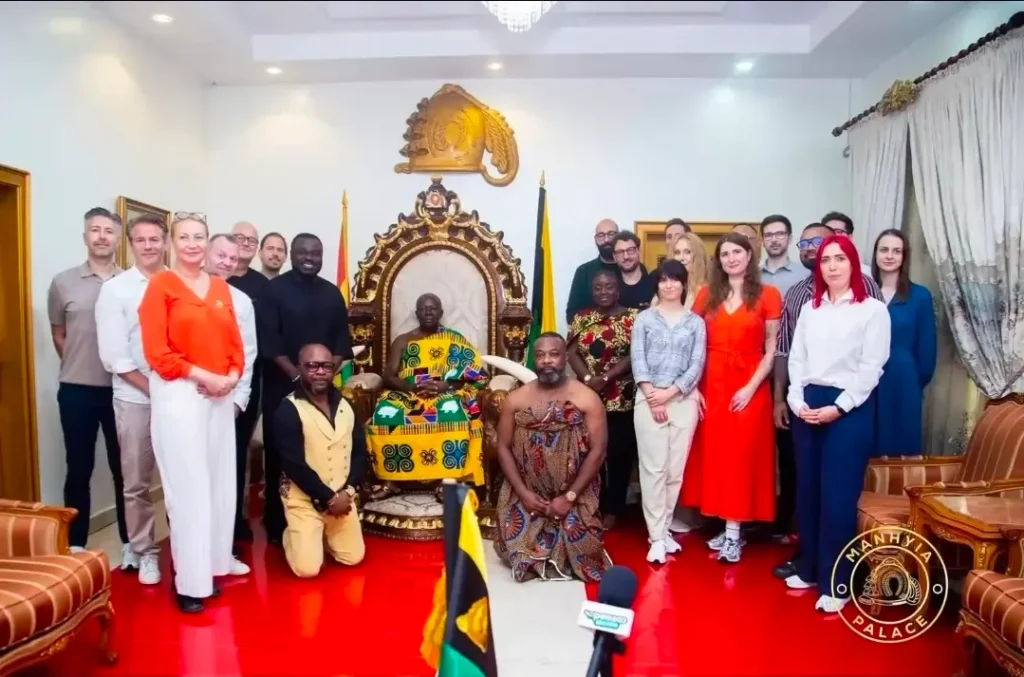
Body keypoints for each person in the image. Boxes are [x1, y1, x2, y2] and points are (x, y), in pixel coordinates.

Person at [139, 213, 249, 613]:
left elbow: (236, 344)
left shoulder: (220, 286)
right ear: (172, 242)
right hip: (179, 394)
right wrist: (204, 375)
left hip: (218, 395)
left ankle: (211, 567)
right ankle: (188, 582)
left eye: (198, 237)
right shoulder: (160, 286)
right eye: (184, 237)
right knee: (189, 489)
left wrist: (231, 376)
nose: (191, 244)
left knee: (220, 484)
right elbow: (157, 353)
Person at [770, 223, 884, 581]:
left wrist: (840, 407)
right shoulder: (811, 310)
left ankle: (837, 581)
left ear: (853, 263)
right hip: (808, 402)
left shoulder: (873, 311)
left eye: (840, 259)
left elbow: (872, 368)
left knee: (837, 497)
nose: (832, 266)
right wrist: (795, 399)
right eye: (826, 260)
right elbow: (797, 359)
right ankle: (810, 570)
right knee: (809, 493)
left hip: (850, 407)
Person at [681, 232, 781, 564]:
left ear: (749, 256)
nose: (731, 258)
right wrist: (693, 386)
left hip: (749, 385)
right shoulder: (707, 294)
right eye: (724, 254)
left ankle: (735, 535)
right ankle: (727, 524)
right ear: (718, 261)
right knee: (716, 456)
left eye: (737, 252)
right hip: (712, 382)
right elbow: (692, 344)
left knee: (741, 458)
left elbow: (771, 351)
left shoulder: (769, 294)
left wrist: (750, 388)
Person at [260, 233, 353, 544]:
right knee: (281, 453)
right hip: (281, 385)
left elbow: (341, 343)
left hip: (324, 389)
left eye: (316, 252)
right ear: (292, 255)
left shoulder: (331, 294)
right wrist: (299, 378)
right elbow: (270, 344)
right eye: (303, 252)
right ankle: (278, 523)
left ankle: (326, 515)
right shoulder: (274, 291)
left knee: (323, 450)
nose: (309, 257)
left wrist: (322, 374)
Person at [494, 333, 610, 582]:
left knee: (586, 554)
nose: (547, 360)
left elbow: (598, 451)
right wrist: (523, 494)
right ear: (533, 360)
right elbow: (502, 447)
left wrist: (569, 497)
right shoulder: (516, 398)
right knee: (515, 550)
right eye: (540, 355)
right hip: (526, 493)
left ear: (565, 358)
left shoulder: (587, 397)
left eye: (554, 354)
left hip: (574, 493)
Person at [48, 207, 128, 554]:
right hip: (76, 390)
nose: (101, 236)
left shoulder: (129, 283)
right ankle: (76, 543)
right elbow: (59, 335)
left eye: (108, 231)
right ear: (85, 237)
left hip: (123, 391)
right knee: (78, 469)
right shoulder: (62, 282)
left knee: (125, 471)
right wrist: (81, 365)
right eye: (94, 230)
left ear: (118, 239)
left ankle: (132, 543)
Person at [94, 214, 166, 583]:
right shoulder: (116, 289)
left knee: (179, 479)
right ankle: (144, 551)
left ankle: (185, 548)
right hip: (136, 398)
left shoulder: (180, 285)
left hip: (179, 400)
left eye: (155, 239)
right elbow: (114, 356)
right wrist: (153, 388)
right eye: (141, 240)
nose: (149, 245)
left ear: (165, 242)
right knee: (136, 482)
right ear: (131, 244)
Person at [367, 294, 487, 501]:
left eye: (433, 308)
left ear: (441, 313)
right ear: (417, 314)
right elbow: (388, 375)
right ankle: (392, 481)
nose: (429, 312)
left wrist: (446, 385)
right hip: (408, 393)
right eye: (424, 309)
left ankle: (447, 480)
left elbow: (477, 371)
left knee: (454, 414)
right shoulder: (403, 340)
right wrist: (409, 386)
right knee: (386, 414)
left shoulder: (454, 339)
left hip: (446, 392)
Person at [631, 259, 706, 564]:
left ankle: (664, 529)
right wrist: (653, 396)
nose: (670, 285)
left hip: (682, 401)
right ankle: (656, 537)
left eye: (675, 280)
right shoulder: (645, 320)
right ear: (657, 285)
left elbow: (697, 364)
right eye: (663, 280)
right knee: (653, 471)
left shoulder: (695, 322)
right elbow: (638, 360)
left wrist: (671, 393)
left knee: (675, 473)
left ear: (684, 284)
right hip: (648, 401)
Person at [274, 343, 367, 577]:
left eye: (326, 366)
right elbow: (292, 463)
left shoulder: (348, 405)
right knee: (307, 570)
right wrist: (327, 498)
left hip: (342, 497)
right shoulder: (288, 408)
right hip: (304, 499)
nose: (320, 371)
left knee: (353, 558)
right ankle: (292, 535)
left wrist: (348, 493)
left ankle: (320, 535)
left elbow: (359, 453)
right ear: (299, 368)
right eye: (312, 366)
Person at [567, 270, 638, 529]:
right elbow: (571, 352)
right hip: (589, 397)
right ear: (592, 291)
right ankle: (590, 504)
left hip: (622, 397)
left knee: (619, 454)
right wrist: (588, 380)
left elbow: (635, 355)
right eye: (598, 287)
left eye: (609, 287)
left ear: (617, 289)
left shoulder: (634, 318)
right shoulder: (581, 318)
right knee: (590, 453)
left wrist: (605, 378)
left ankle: (614, 508)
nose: (604, 292)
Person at [209, 235, 260, 548]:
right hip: (190, 398)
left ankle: (224, 545)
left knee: (227, 471)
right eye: (221, 255)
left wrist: (238, 400)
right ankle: (192, 553)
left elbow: (247, 353)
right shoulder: (178, 291)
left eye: (232, 257)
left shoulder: (239, 300)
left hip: (229, 401)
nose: (227, 262)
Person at [871, 229, 937, 456]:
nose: (889, 256)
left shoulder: (920, 296)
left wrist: (912, 381)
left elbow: (927, 351)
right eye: (884, 250)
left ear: (904, 257)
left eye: (896, 251)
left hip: (904, 380)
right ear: (875, 255)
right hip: (866, 380)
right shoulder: (864, 294)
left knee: (901, 444)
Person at [226, 222, 269, 544]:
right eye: (237, 240)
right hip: (202, 386)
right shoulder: (203, 284)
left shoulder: (258, 288)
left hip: (244, 383)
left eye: (250, 241)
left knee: (239, 452)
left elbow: (255, 343)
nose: (242, 247)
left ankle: (236, 520)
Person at [566, 219, 620, 323]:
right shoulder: (583, 271)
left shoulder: (631, 269)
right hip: (591, 335)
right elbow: (572, 314)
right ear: (595, 239)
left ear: (619, 236)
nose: (606, 240)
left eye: (611, 234)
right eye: (601, 235)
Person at [759, 214, 809, 297]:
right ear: (762, 241)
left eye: (780, 234)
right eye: (768, 235)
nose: (774, 240)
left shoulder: (805, 274)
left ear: (790, 239)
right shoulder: (753, 276)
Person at [611, 231, 655, 311]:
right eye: (620, 252)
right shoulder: (610, 288)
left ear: (639, 251)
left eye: (630, 250)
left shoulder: (654, 283)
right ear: (614, 257)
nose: (626, 256)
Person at [822, 211, 872, 276]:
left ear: (850, 237)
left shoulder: (867, 273)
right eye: (828, 231)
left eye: (838, 231)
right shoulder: (812, 270)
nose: (832, 235)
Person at [670, 232, 709, 312]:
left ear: (698, 255)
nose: (681, 258)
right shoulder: (665, 288)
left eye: (687, 252)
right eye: (677, 252)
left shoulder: (708, 291)